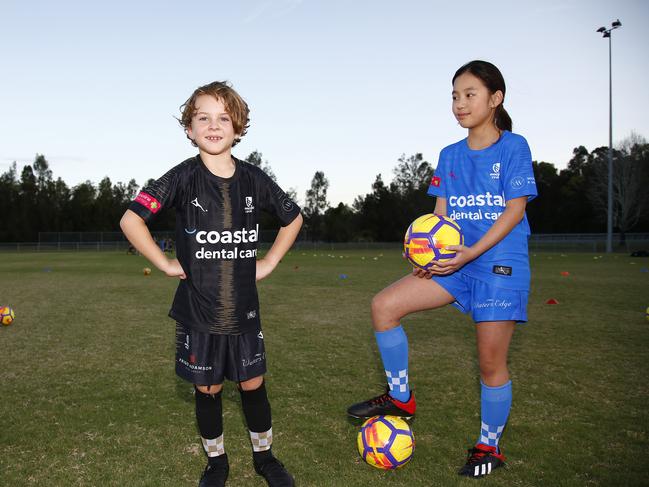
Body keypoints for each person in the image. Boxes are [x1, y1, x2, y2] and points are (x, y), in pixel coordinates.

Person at [347, 60, 537, 478]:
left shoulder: (513, 147)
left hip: (498, 266)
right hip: (454, 263)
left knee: (490, 365)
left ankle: (489, 447)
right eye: (455, 95)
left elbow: (514, 210)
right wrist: (425, 254)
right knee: (384, 306)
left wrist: (470, 253)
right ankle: (401, 399)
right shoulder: (449, 155)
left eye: (470, 94)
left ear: (495, 99)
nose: (460, 103)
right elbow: (441, 215)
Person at [120, 81, 303, 487]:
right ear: (189, 129)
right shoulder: (181, 177)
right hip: (199, 310)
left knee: (253, 385)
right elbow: (131, 219)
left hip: (243, 309)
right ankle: (217, 463)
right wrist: (165, 263)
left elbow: (293, 218)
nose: (214, 125)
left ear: (238, 128)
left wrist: (270, 260)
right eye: (203, 117)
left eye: (224, 118)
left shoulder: (255, 179)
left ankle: (265, 458)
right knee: (208, 389)